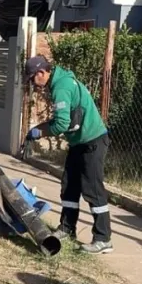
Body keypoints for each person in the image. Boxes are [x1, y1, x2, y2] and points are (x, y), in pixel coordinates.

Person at [24, 55, 113, 254]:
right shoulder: (59, 82)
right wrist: (41, 127)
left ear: (41, 73)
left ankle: (103, 238)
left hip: (92, 142)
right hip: (79, 142)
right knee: (70, 185)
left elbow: (62, 123)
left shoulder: (61, 87)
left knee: (92, 189)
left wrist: (40, 131)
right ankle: (67, 227)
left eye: (32, 79)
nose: (32, 83)